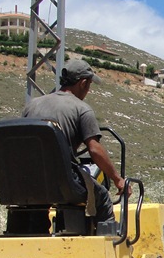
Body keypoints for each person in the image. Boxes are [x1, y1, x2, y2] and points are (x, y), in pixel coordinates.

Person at [23, 58, 126, 224]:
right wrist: (117, 179)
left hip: (27, 180)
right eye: (89, 85)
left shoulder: (32, 105)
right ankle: (108, 242)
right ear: (83, 83)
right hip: (61, 181)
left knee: (36, 209)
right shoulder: (81, 109)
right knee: (102, 197)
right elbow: (94, 149)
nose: (88, 90)